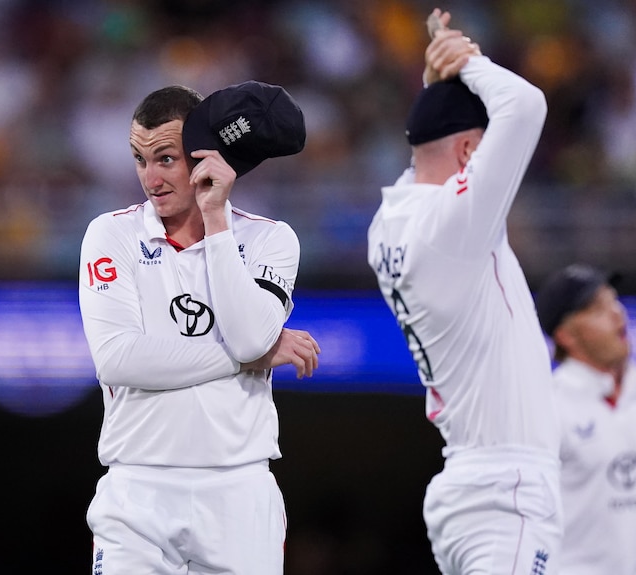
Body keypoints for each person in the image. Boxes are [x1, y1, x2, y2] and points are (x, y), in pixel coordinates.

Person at [78, 80, 320, 575]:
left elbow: (251, 335)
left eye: (166, 158)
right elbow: (118, 360)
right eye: (140, 159)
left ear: (205, 156)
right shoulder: (112, 234)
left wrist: (216, 220)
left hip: (239, 494)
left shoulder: (271, 241)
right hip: (136, 492)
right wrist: (242, 358)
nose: (150, 177)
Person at [367, 9, 562, 574]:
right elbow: (526, 106)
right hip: (507, 490)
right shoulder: (453, 225)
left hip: (470, 489)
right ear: (471, 155)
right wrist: (468, 60)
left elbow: (427, 156)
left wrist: (438, 87)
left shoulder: (389, 225)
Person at [535, 264, 636, 575]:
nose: (617, 313)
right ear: (566, 335)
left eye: (614, 300)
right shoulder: (547, 407)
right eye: (597, 309)